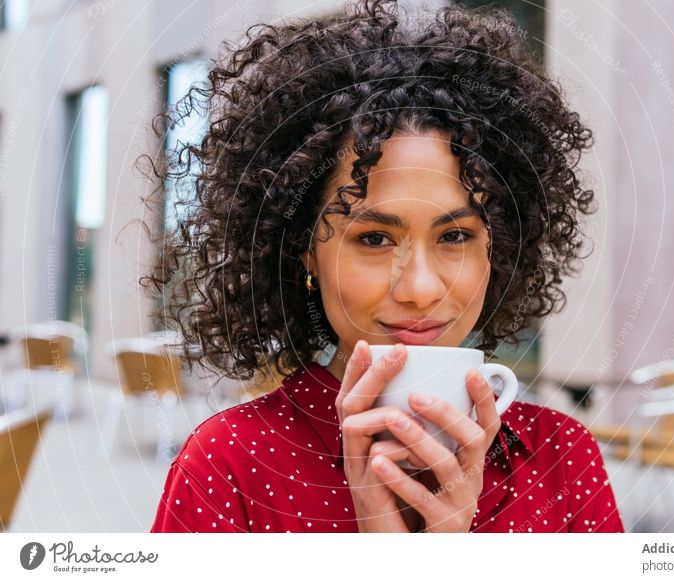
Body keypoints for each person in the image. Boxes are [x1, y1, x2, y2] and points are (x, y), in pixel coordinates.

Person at [144, 0, 624, 533]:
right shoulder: (229, 467)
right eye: (374, 238)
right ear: (304, 247)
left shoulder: (561, 460)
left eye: (456, 236)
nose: (420, 289)